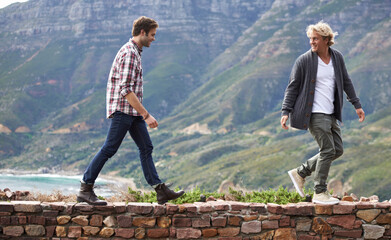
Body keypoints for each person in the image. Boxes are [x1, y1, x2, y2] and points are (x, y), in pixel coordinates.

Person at [77, 16, 185, 205]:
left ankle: (160, 190)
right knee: (109, 148)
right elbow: (125, 89)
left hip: (131, 112)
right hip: (123, 111)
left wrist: (140, 113)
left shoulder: (135, 52)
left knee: (146, 147)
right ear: (142, 32)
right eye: (152, 35)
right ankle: (85, 189)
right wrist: (146, 114)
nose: (154, 38)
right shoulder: (129, 54)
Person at [281, 21, 365, 205]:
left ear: (327, 40)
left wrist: (356, 105)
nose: (312, 42)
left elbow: (346, 81)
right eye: (310, 39)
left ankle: (301, 172)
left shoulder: (337, 58)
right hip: (313, 113)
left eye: (316, 39)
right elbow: (292, 87)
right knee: (327, 149)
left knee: (337, 150)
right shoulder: (304, 60)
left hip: (330, 112)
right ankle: (319, 192)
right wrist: (285, 111)